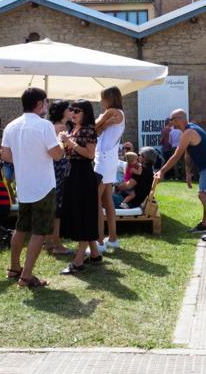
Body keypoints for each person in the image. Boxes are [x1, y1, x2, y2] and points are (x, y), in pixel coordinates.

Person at [1, 87, 64, 288]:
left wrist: (24, 159)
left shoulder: (11, 125)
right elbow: (56, 155)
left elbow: (5, 155)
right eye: (45, 102)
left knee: (21, 227)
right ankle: (26, 275)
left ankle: (14, 268)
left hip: (24, 184)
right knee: (39, 231)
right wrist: (62, 143)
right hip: (43, 186)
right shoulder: (45, 125)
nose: (47, 105)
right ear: (38, 104)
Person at [156, 109, 206, 241]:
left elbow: (176, 155)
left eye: (172, 119)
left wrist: (162, 171)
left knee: (204, 196)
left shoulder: (188, 132)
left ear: (180, 119)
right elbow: (187, 154)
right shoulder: (189, 130)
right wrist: (188, 174)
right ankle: (204, 224)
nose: (171, 122)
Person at [58, 100, 104, 275]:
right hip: (72, 173)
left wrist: (70, 143)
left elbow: (90, 155)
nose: (73, 113)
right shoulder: (73, 129)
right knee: (78, 211)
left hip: (83, 174)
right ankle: (94, 254)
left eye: (77, 110)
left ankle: (78, 261)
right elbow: (70, 152)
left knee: (83, 213)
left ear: (85, 112)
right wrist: (65, 142)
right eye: (72, 110)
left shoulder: (88, 129)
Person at [94, 86, 125, 251]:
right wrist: (102, 125)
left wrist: (102, 122)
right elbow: (98, 129)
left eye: (103, 98)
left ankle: (99, 242)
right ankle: (112, 239)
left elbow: (95, 127)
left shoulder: (114, 112)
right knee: (107, 200)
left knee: (95, 201)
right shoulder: (116, 113)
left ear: (109, 98)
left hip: (104, 159)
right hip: (108, 158)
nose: (101, 101)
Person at [45, 100, 72, 255]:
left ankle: (49, 241)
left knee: (53, 206)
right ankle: (56, 243)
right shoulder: (61, 128)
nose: (72, 111)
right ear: (62, 111)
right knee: (57, 208)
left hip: (54, 169)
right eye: (69, 109)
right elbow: (63, 151)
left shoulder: (53, 126)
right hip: (59, 169)